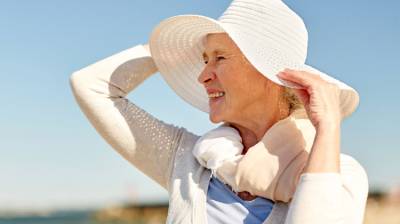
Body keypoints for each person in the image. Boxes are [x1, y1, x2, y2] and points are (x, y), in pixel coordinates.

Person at [70, 0, 368, 223]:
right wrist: (163, 50)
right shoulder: (188, 161)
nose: (202, 76)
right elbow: (90, 86)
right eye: (203, 59)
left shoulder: (340, 174)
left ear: (270, 74)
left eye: (219, 58)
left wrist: (329, 126)